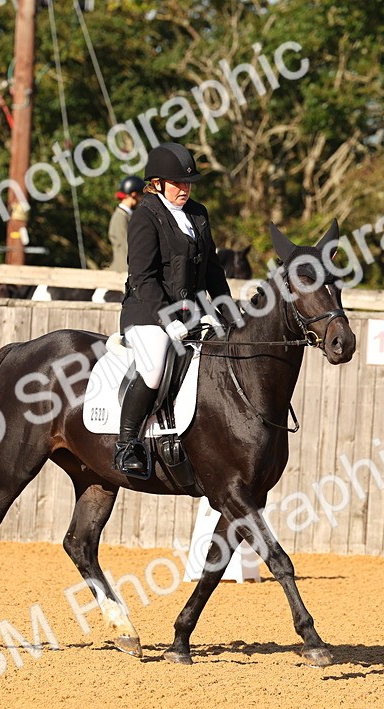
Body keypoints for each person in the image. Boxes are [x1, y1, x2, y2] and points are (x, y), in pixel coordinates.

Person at [114, 142, 233, 479]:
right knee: (154, 364)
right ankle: (127, 445)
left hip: (191, 313)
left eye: (188, 183)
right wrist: (167, 321)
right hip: (146, 311)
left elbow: (212, 269)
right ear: (157, 183)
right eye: (178, 183)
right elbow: (142, 277)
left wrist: (227, 313)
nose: (185, 188)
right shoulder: (145, 215)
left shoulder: (198, 213)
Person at [105, 175, 144, 272]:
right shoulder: (120, 217)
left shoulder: (127, 215)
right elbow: (126, 246)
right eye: (140, 196)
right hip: (124, 270)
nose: (141, 200)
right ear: (134, 195)